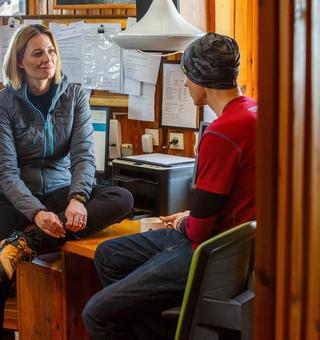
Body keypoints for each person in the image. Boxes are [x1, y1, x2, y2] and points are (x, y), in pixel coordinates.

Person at [82, 32, 257, 339]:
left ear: (201, 78)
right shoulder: (255, 112)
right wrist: (190, 217)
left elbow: (198, 232)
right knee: (108, 255)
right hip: (231, 243)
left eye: (188, 75)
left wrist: (186, 222)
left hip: (206, 250)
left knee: (96, 314)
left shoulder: (221, 133)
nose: (186, 84)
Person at [0, 24, 133, 283]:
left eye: (51, 51)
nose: (47, 59)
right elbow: (6, 171)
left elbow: (83, 155)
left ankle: (24, 244)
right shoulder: (4, 103)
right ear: (19, 61)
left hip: (60, 191)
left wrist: (78, 198)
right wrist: (37, 213)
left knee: (122, 198)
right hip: (15, 196)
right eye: (37, 53)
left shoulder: (74, 96)